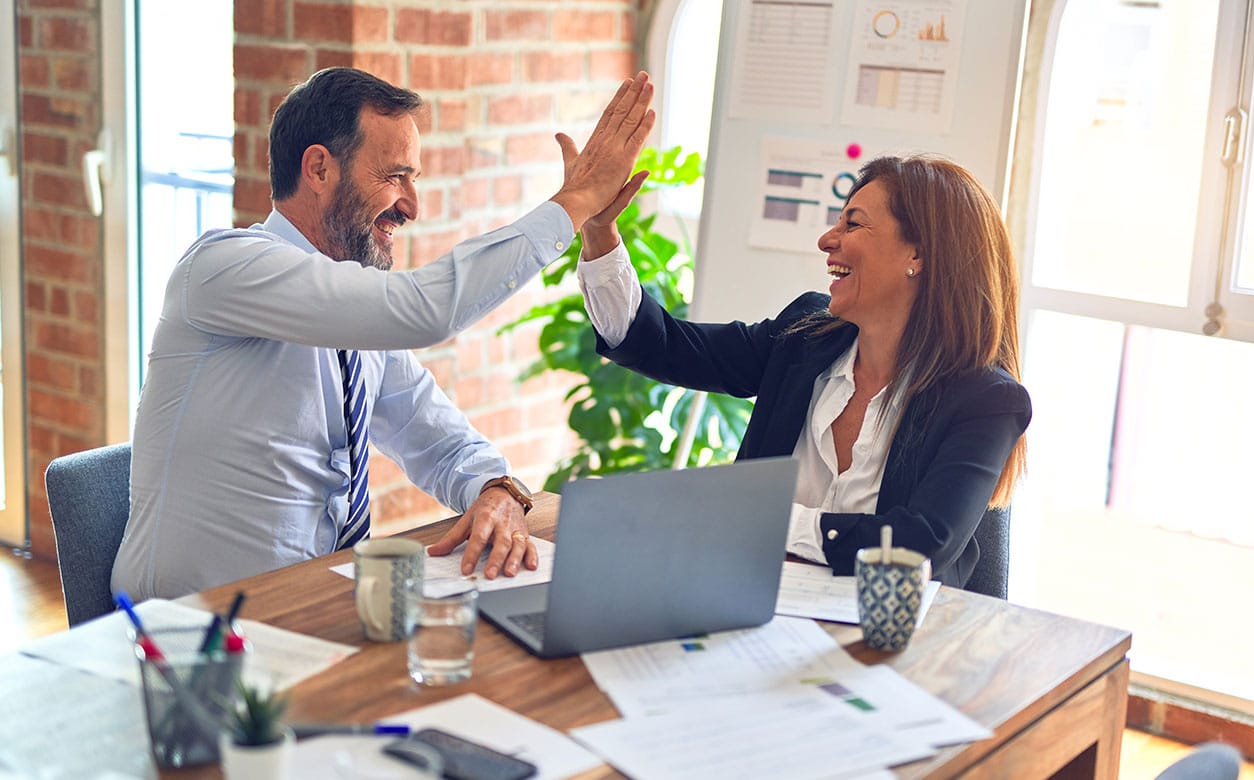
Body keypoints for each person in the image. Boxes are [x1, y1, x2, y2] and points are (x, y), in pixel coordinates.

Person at [111, 67, 654, 600]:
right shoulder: (224, 268)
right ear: (319, 169)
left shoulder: (354, 320)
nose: (412, 206)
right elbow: (425, 310)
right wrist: (576, 202)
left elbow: (437, 438)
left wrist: (496, 488)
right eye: (396, 176)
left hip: (314, 609)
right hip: (189, 634)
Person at [577, 155, 1030, 588]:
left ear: (919, 255)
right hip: (752, 608)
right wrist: (600, 232)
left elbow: (918, 547)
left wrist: (764, 519)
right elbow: (663, 346)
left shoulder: (986, 400)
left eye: (852, 223)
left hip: (893, 643)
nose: (827, 240)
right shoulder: (805, 336)